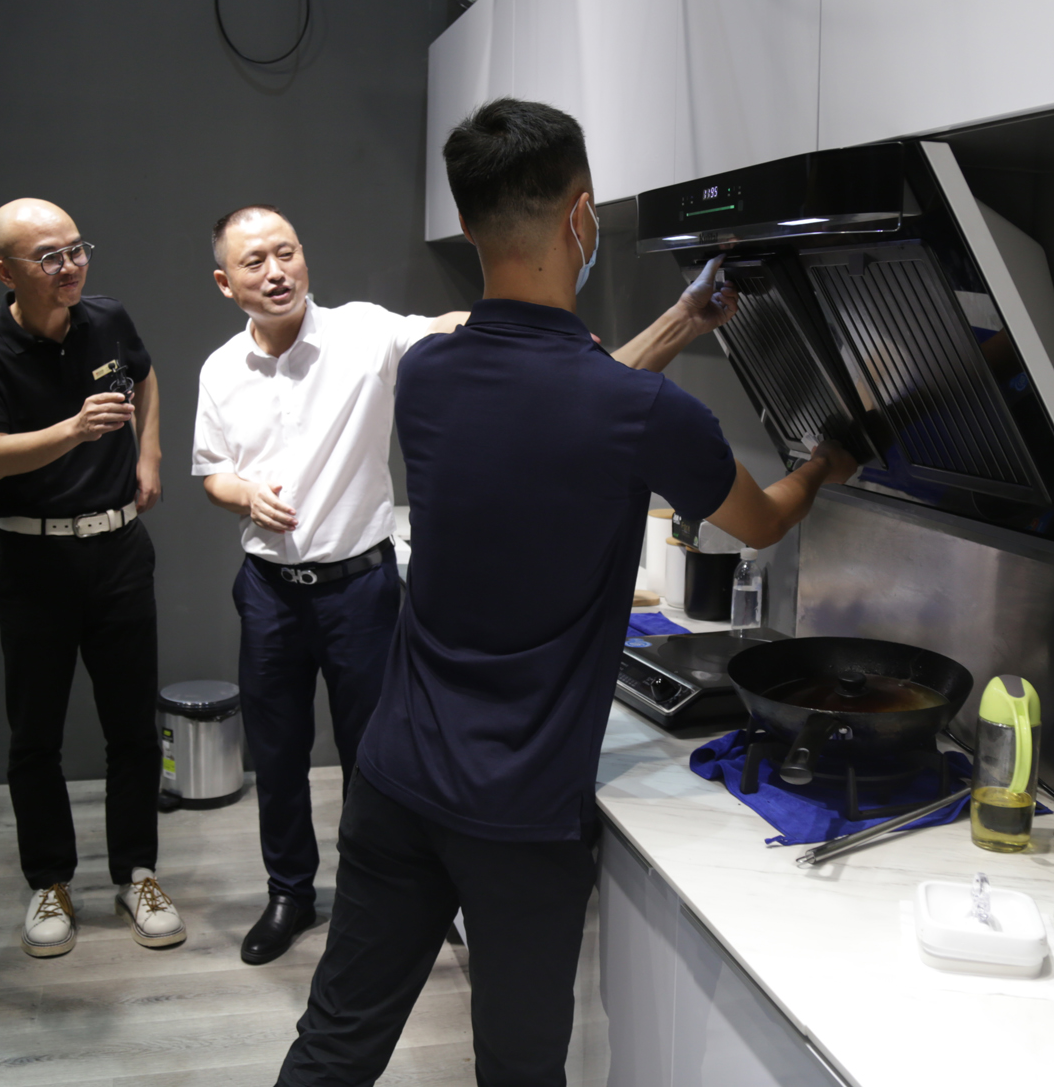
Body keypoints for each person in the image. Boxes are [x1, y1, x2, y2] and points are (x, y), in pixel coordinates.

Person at [275, 99, 857, 1086]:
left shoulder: (428, 373)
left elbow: (564, 399)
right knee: (518, 1072)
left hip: (396, 779)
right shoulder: (642, 412)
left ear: (467, 224)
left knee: (334, 1045)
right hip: (519, 817)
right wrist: (827, 461)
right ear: (581, 216)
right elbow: (760, 521)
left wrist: (681, 319)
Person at [192, 206, 467, 965]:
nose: (275, 271)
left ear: (304, 257)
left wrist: (529, 323)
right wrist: (245, 495)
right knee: (277, 754)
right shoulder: (220, 369)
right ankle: (290, 893)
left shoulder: (362, 332)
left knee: (373, 755)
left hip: (360, 589)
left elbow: (444, 326)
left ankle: (377, 894)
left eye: (286, 252)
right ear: (226, 283)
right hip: (268, 591)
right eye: (254, 262)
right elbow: (212, 473)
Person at [0, 198, 179, 960]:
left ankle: (138, 873)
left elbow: (147, 376)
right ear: (5, 271)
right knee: (35, 735)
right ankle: (49, 880)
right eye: (48, 256)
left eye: (76, 249)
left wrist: (148, 455)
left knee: (133, 729)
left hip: (119, 552)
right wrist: (76, 428)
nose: (69, 266)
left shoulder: (107, 318)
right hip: (33, 560)